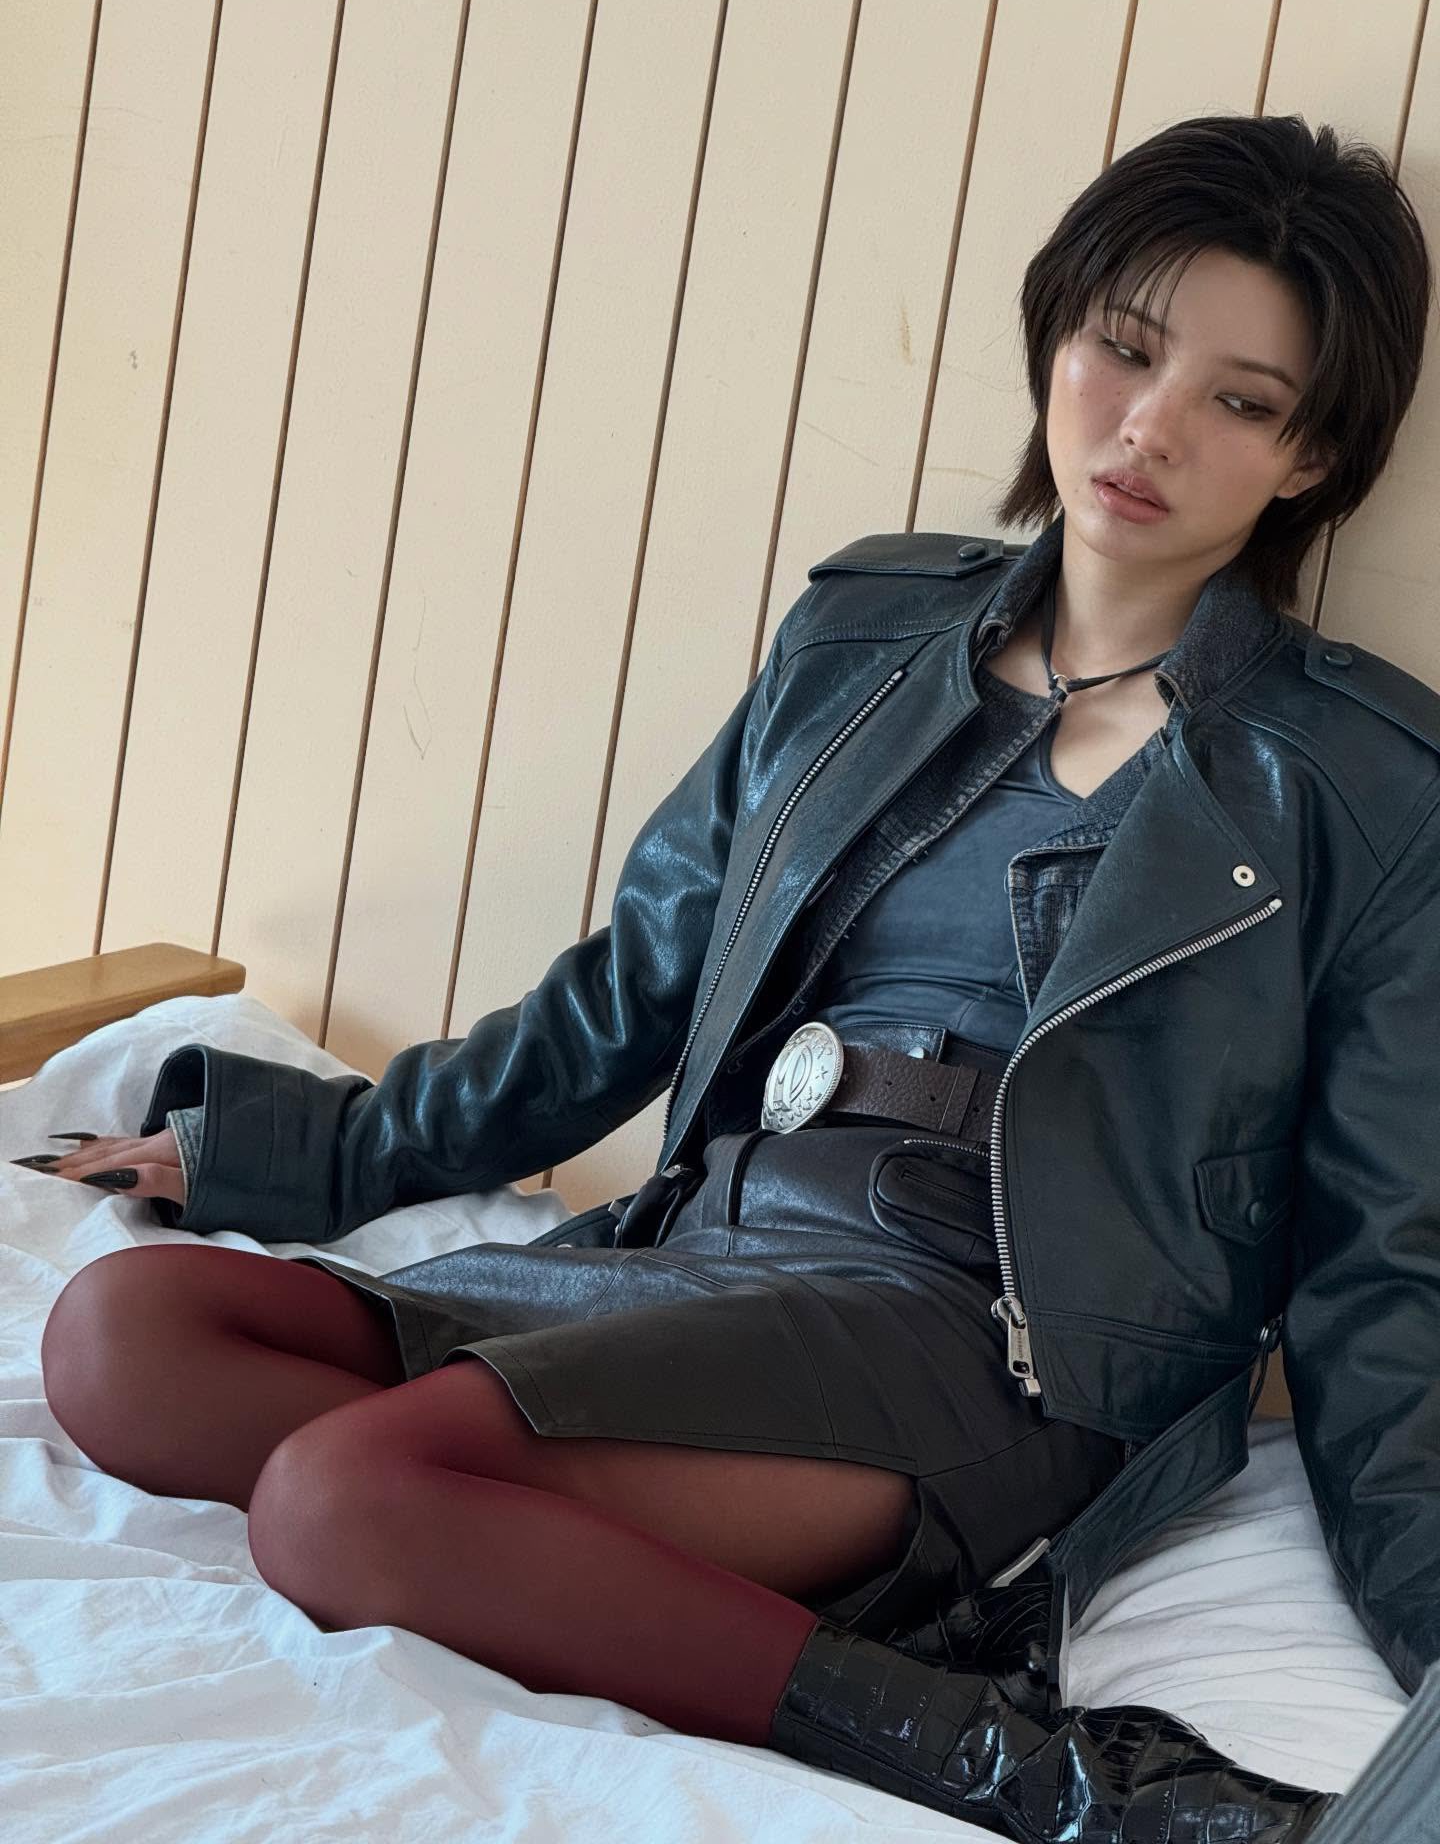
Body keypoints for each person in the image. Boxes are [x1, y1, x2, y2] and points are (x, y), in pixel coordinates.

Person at [26, 111, 1438, 1840]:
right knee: (126, 1334)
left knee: (339, 1500)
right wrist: (303, 1149)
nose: (1147, 427)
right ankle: (562, 1547)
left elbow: (1384, 1261)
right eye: (1123, 349)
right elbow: (636, 987)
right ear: (1057, 333)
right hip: (707, 1247)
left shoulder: (1362, 786)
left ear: (1310, 458)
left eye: (1241, 400)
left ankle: (1058, 1779)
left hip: (985, 1340)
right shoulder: (862, 636)